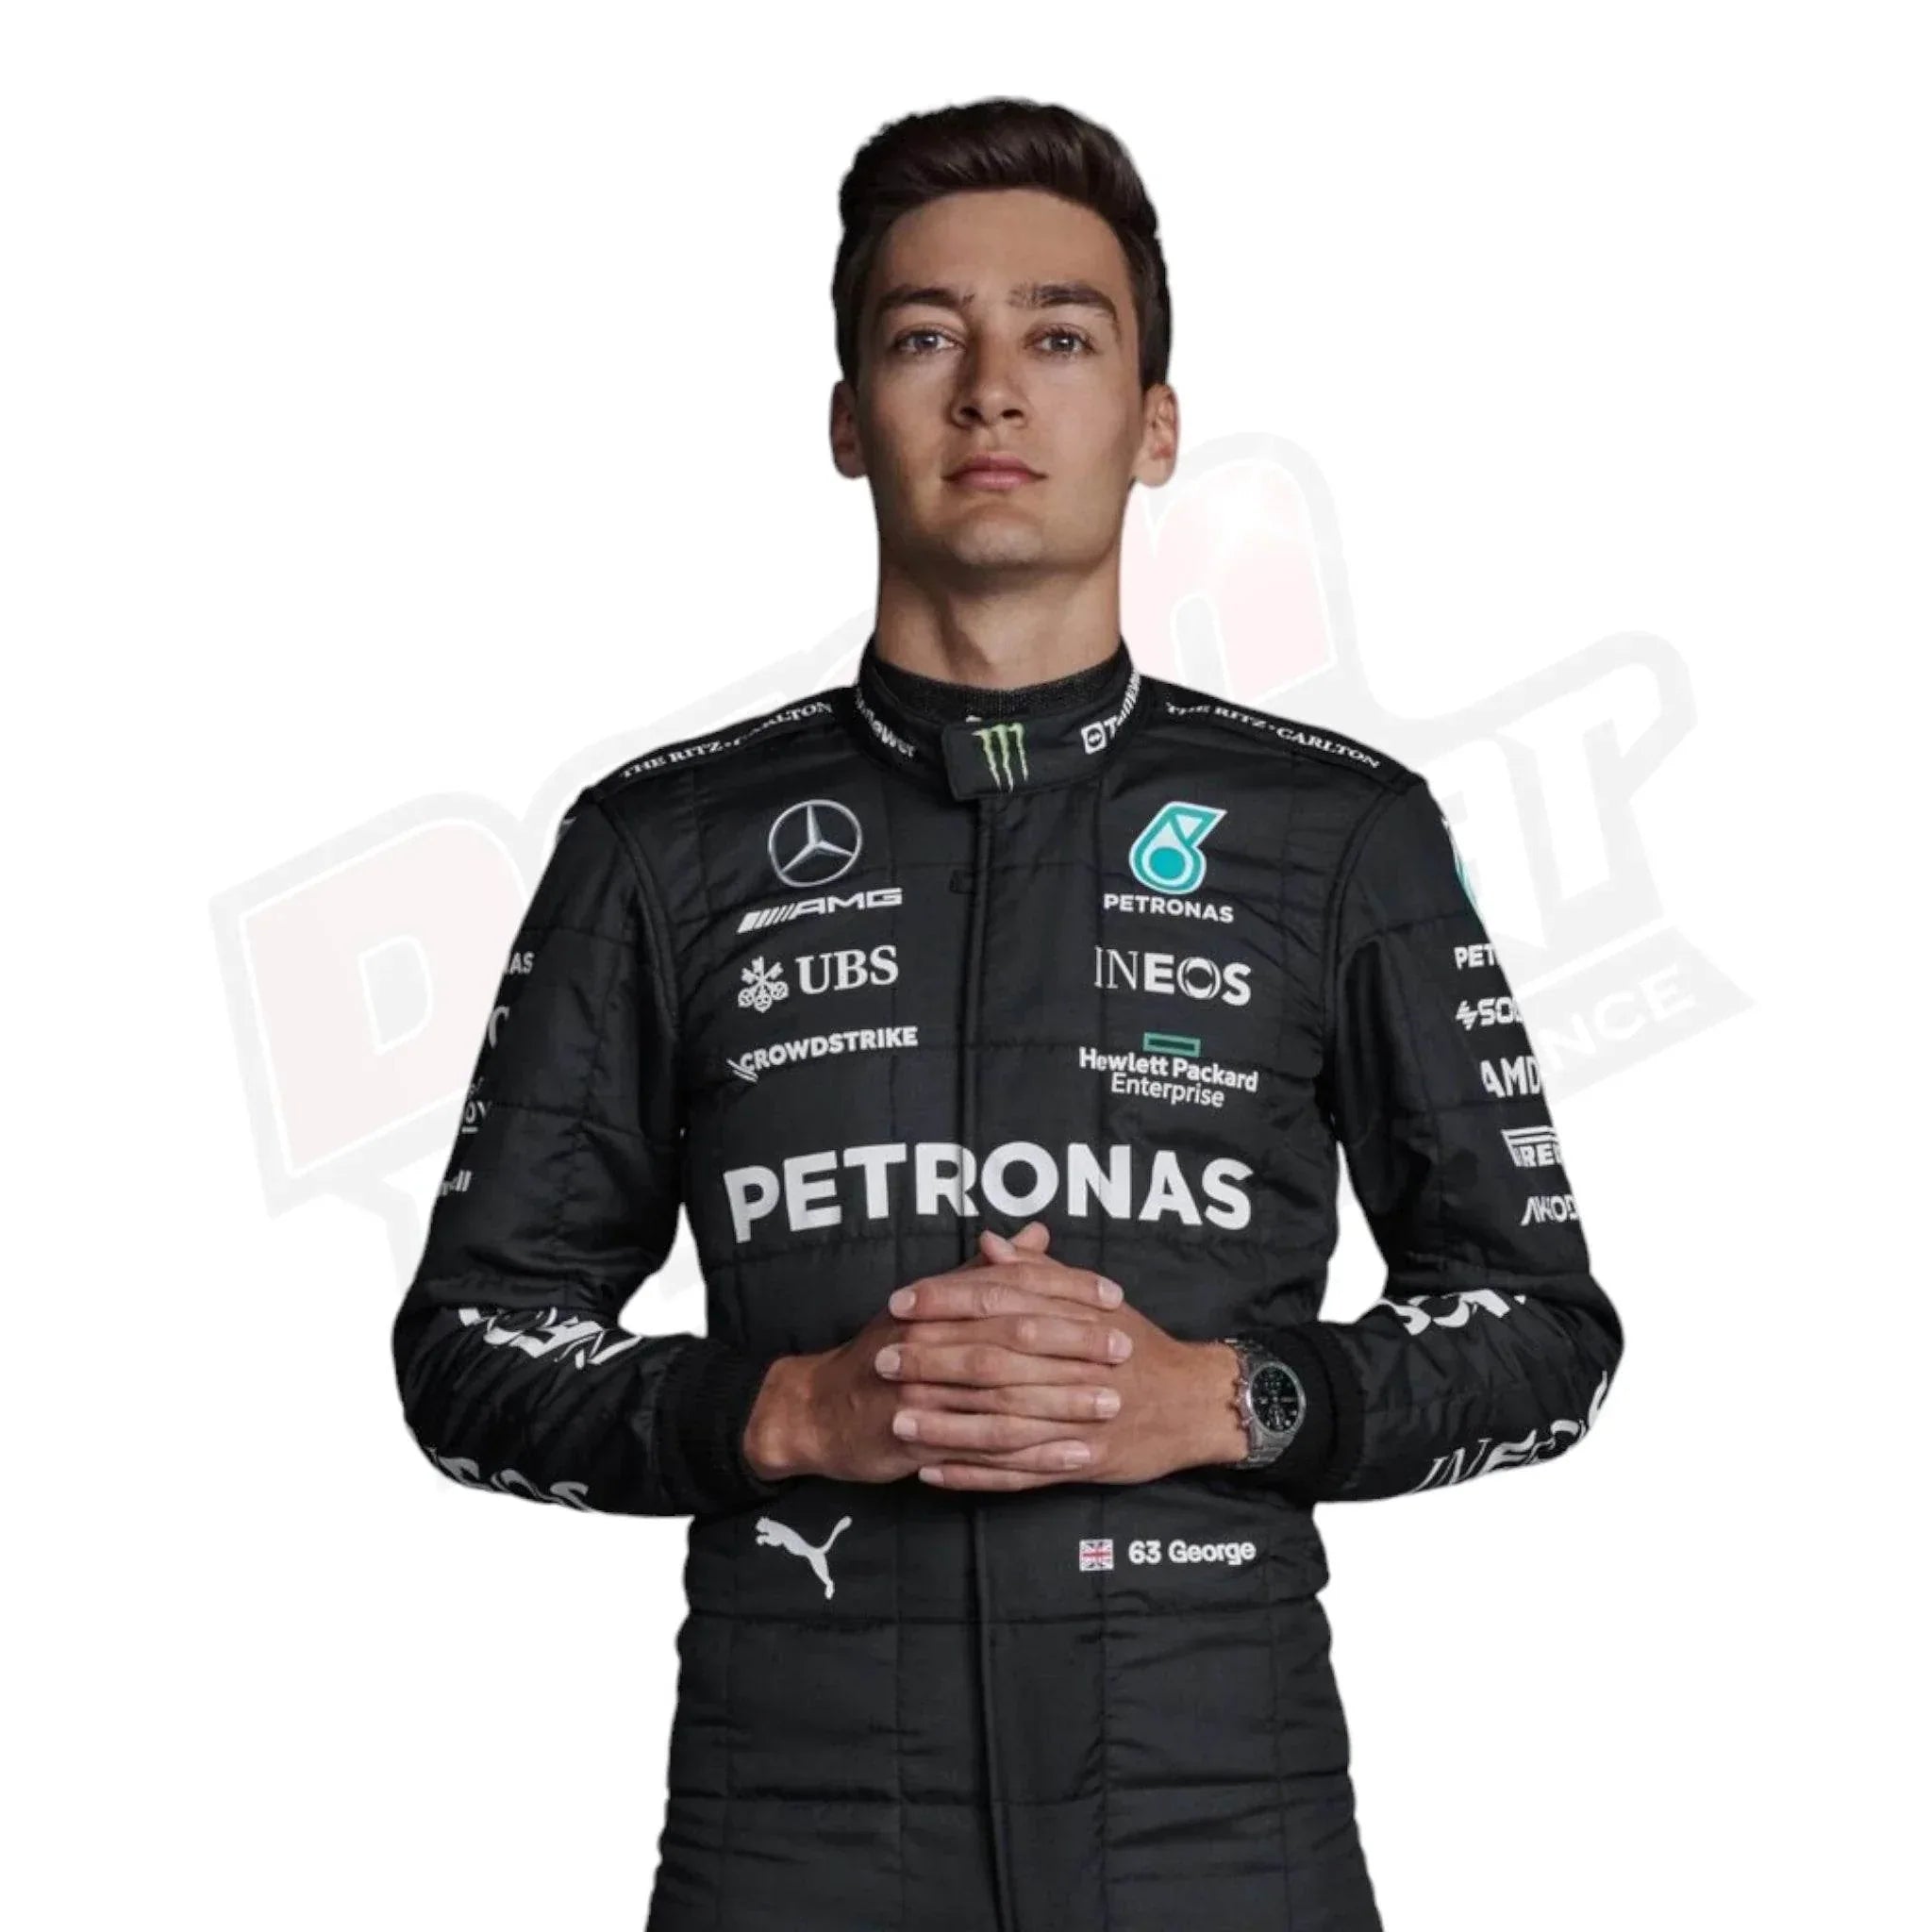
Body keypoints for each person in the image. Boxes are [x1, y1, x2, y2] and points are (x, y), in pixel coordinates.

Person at [390, 96, 1623, 1932]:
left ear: (1153, 424)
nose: (989, 393)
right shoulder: (659, 848)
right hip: (796, 1855)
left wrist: (1232, 1395)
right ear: (845, 419)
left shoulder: (1341, 836)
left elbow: (1543, 1332)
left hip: (1227, 1854)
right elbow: (468, 1352)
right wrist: (782, 1412)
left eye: (1059, 336)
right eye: (922, 338)